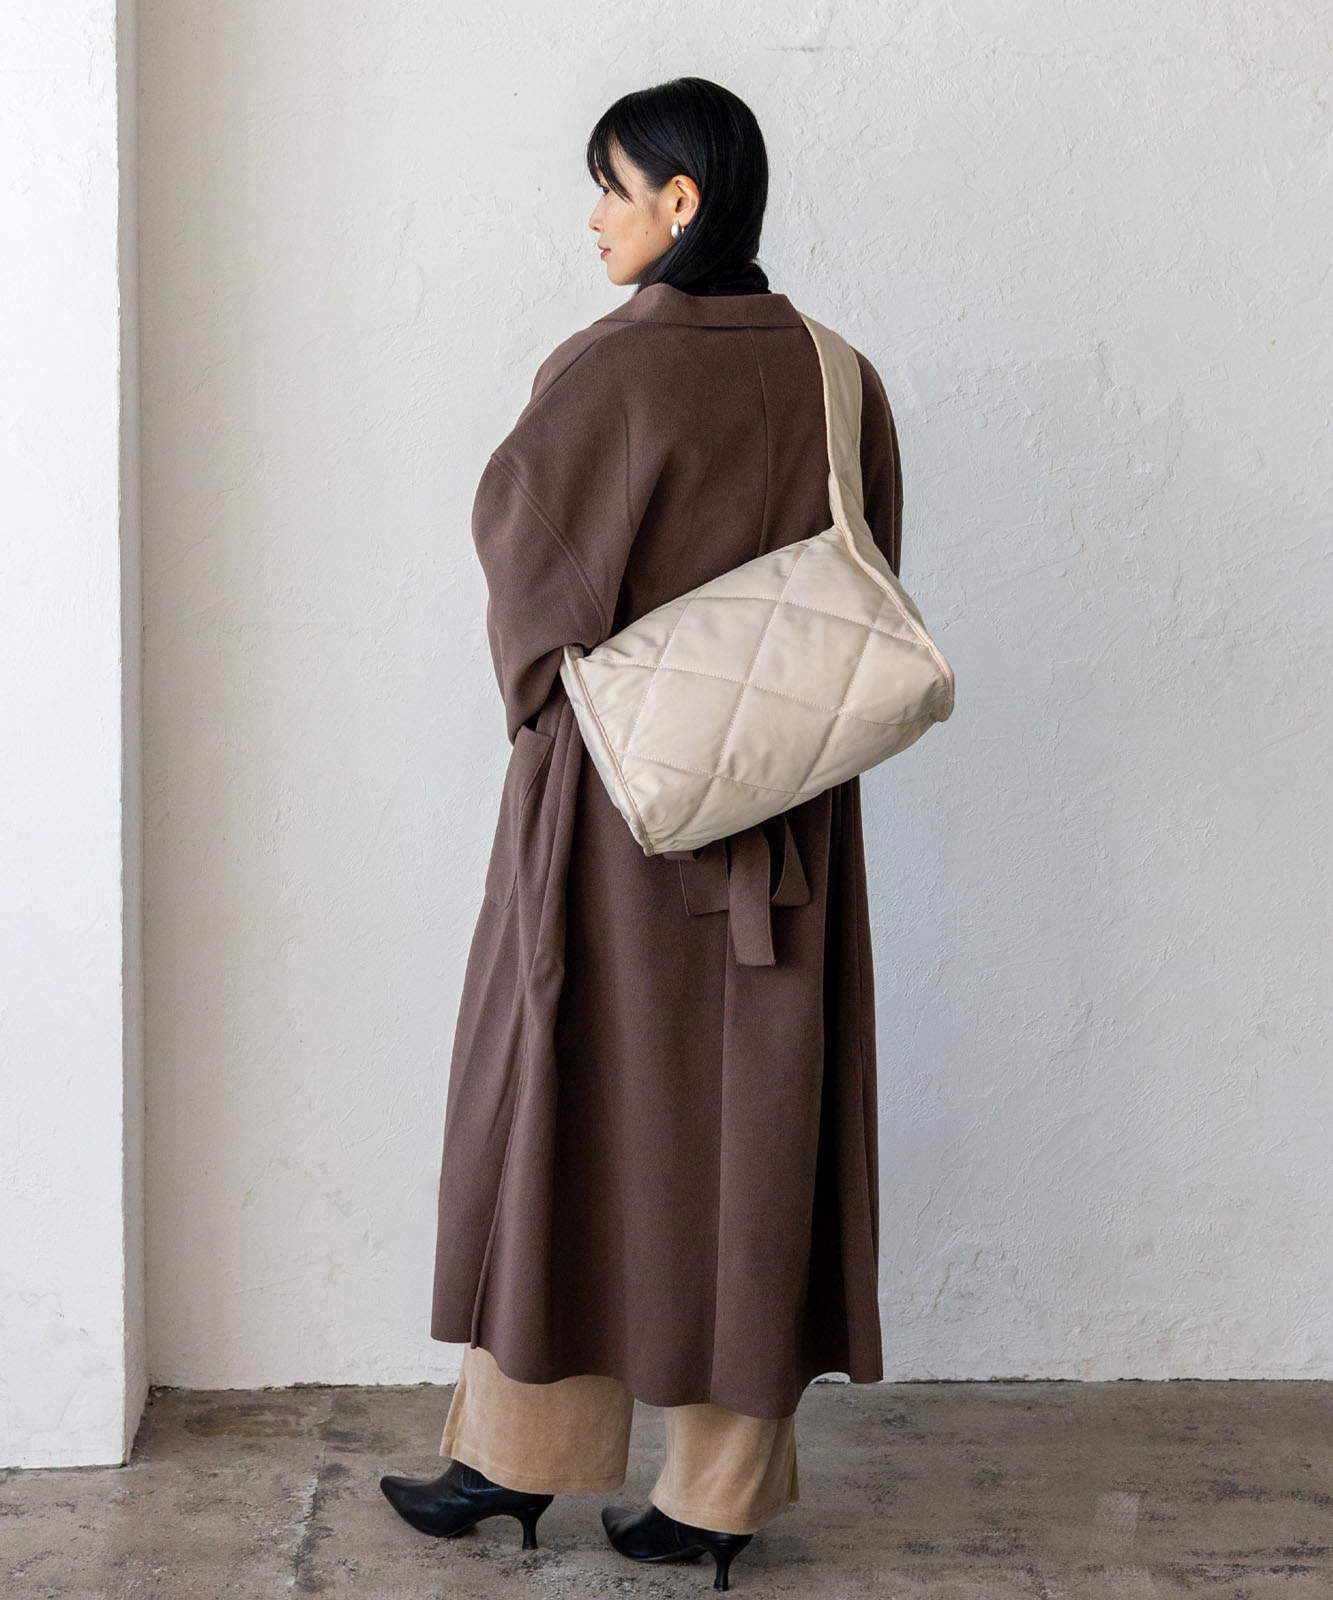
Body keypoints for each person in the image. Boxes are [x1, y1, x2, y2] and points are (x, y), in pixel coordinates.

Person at [381, 75, 903, 1591]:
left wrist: (552, 694)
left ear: (683, 200)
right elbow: (867, 574)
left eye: (613, 186)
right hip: (785, 820)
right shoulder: (838, 373)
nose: (596, 216)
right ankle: (716, 1500)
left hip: (615, 819)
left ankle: (511, 1462)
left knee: (562, 1114)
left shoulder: (609, 368)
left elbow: (528, 567)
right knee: (753, 1143)